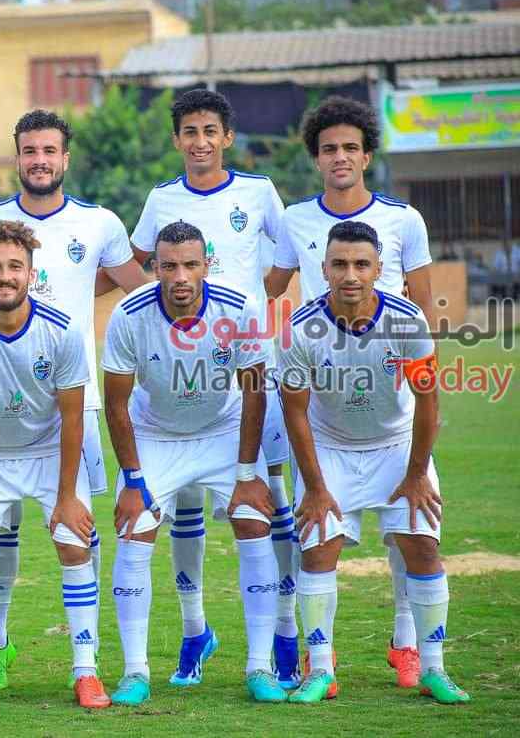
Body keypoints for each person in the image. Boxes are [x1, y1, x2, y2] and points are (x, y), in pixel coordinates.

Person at [0, 110, 148, 689]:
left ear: (65, 158)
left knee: (76, 528)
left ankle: (87, 660)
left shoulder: (99, 223)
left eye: (49, 150)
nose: (39, 160)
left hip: (72, 405)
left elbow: (138, 290)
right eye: (29, 150)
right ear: (17, 156)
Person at [129, 89, 298, 688]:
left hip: (245, 365)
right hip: (180, 366)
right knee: (184, 504)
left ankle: (284, 632)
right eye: (189, 132)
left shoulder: (258, 191)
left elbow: (290, 255)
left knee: (270, 496)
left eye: (210, 131)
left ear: (226, 137)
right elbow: (136, 264)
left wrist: (255, 303)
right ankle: (194, 630)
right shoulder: (161, 199)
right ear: (176, 140)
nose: (200, 141)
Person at [265, 96, 435, 690]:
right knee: (318, 531)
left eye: (351, 148)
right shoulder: (294, 221)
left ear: (367, 155)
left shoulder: (403, 219)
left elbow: (422, 302)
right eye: (329, 148)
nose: (340, 157)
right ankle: (321, 657)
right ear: (316, 158)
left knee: (408, 531)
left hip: (389, 390)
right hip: (324, 387)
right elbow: (270, 286)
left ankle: (406, 643)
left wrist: (407, 364)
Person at [279, 220, 469, 705]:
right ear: (324, 269)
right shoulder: (300, 329)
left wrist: (416, 474)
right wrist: (315, 487)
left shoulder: (407, 321)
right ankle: (320, 670)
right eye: (340, 264)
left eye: (361, 264)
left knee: (422, 548)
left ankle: (434, 669)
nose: (351, 274)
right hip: (330, 450)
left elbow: (428, 404)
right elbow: (295, 412)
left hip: (396, 448)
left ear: (379, 269)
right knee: (318, 551)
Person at [103, 221, 284, 705]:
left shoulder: (238, 308)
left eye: (190, 265)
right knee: (134, 529)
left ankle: (259, 667)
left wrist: (247, 474)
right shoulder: (129, 314)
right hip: (156, 434)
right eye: (168, 266)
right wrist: (133, 481)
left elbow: (254, 392)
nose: (180, 276)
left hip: (222, 431)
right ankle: (135, 672)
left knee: (253, 521)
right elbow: (116, 404)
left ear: (207, 264)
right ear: (154, 267)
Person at [0, 220, 110, 712]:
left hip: (48, 450)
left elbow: (73, 418)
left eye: (15, 267)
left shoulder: (62, 330)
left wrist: (67, 496)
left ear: (31, 274)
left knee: (73, 542)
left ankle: (86, 670)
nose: (4, 276)